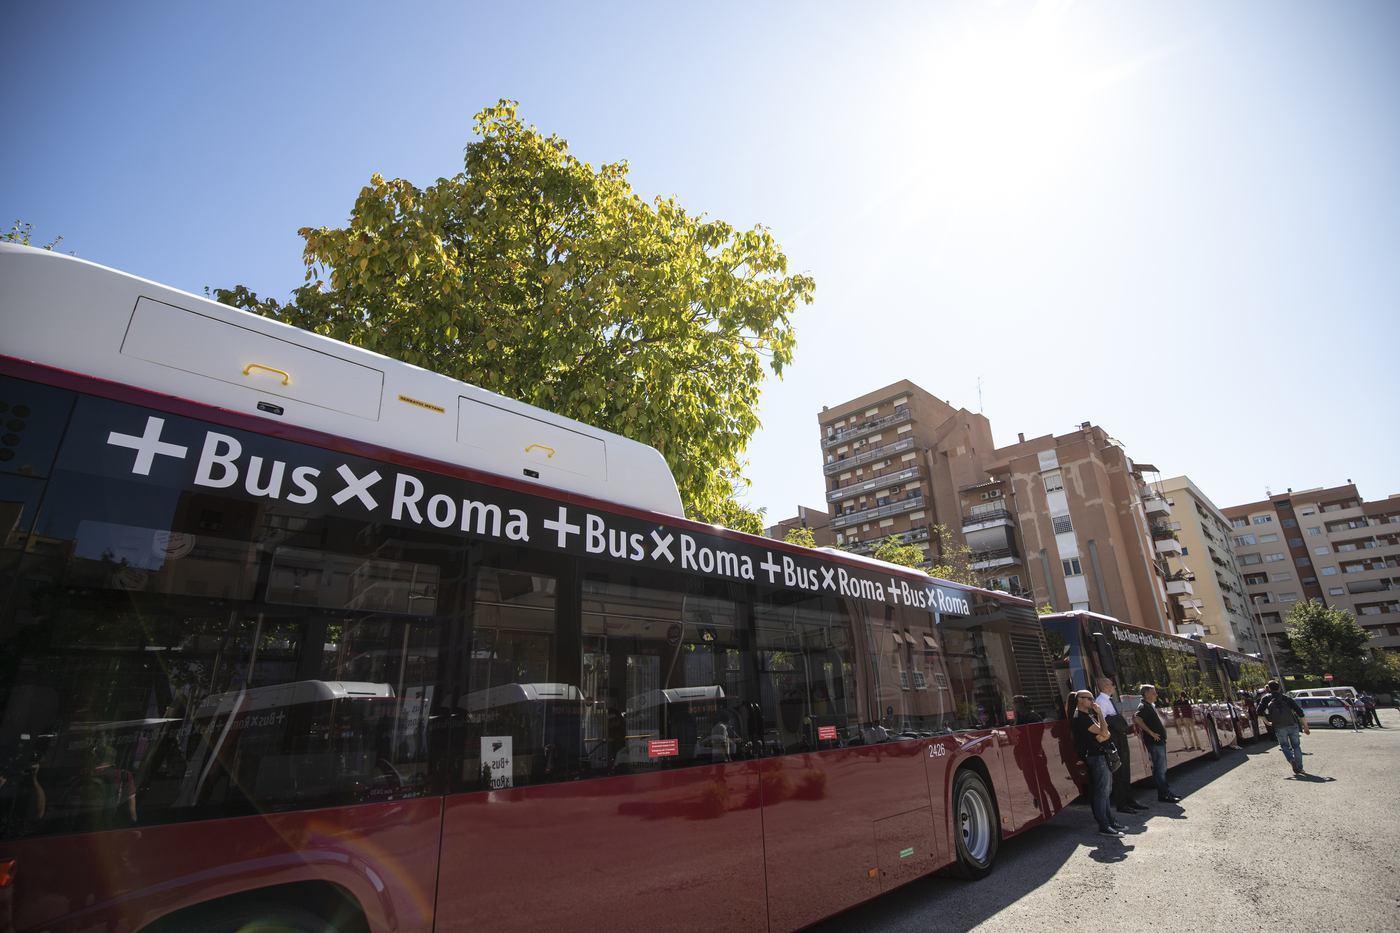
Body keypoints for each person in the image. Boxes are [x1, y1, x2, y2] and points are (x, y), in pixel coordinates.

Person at [1069, 690, 1124, 837]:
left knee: (1106, 790)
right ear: (1080, 700)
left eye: (1093, 698)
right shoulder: (1081, 717)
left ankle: (1110, 821)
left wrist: (1103, 733)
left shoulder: (1086, 716)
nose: (1093, 702)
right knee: (1102, 792)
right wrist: (1100, 714)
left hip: (1099, 754)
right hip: (1095, 756)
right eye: (1089, 699)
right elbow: (1103, 732)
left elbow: (1105, 733)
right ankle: (1104, 825)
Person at [1095, 678, 1147, 814]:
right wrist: (1119, 719)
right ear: (1106, 687)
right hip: (1114, 739)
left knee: (1125, 770)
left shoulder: (1108, 700)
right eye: (1113, 685)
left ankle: (1129, 800)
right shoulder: (1101, 701)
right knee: (1119, 772)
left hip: (1120, 737)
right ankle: (1121, 803)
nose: (1115, 687)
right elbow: (1104, 720)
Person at [1133, 684, 1180, 803]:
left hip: (1159, 743)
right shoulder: (1143, 706)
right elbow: (1137, 719)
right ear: (1146, 694)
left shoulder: (1150, 706)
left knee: (1162, 769)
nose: (1156, 695)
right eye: (1154, 693)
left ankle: (1167, 792)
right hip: (1154, 743)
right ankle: (1164, 794)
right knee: (1160, 769)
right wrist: (1150, 732)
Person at [1256, 681, 1309, 775]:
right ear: (1279, 688)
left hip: (1278, 725)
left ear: (1269, 689)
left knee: (1284, 745)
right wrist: (1305, 726)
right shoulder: (1286, 698)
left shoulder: (1266, 698)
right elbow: (1300, 712)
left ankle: (1291, 759)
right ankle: (1300, 768)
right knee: (1296, 746)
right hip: (1292, 724)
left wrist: (1267, 723)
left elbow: (1259, 712)